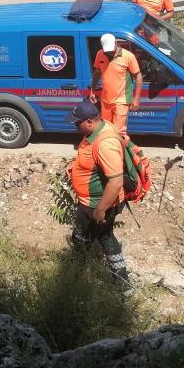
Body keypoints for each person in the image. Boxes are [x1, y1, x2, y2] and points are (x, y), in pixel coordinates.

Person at [66, 101, 132, 292]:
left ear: (88, 121)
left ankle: (72, 282)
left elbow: (115, 181)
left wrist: (100, 210)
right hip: (94, 203)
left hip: (95, 205)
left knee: (80, 240)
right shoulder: (95, 131)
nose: (74, 126)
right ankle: (123, 284)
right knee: (106, 237)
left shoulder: (105, 143)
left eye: (76, 122)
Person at [90, 33, 142, 139]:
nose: (109, 53)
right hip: (106, 101)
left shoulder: (128, 56)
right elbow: (97, 71)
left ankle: (124, 154)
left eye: (111, 50)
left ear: (116, 44)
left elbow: (138, 76)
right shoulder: (100, 54)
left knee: (118, 133)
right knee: (106, 130)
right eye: (107, 51)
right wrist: (92, 90)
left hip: (122, 101)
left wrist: (136, 99)